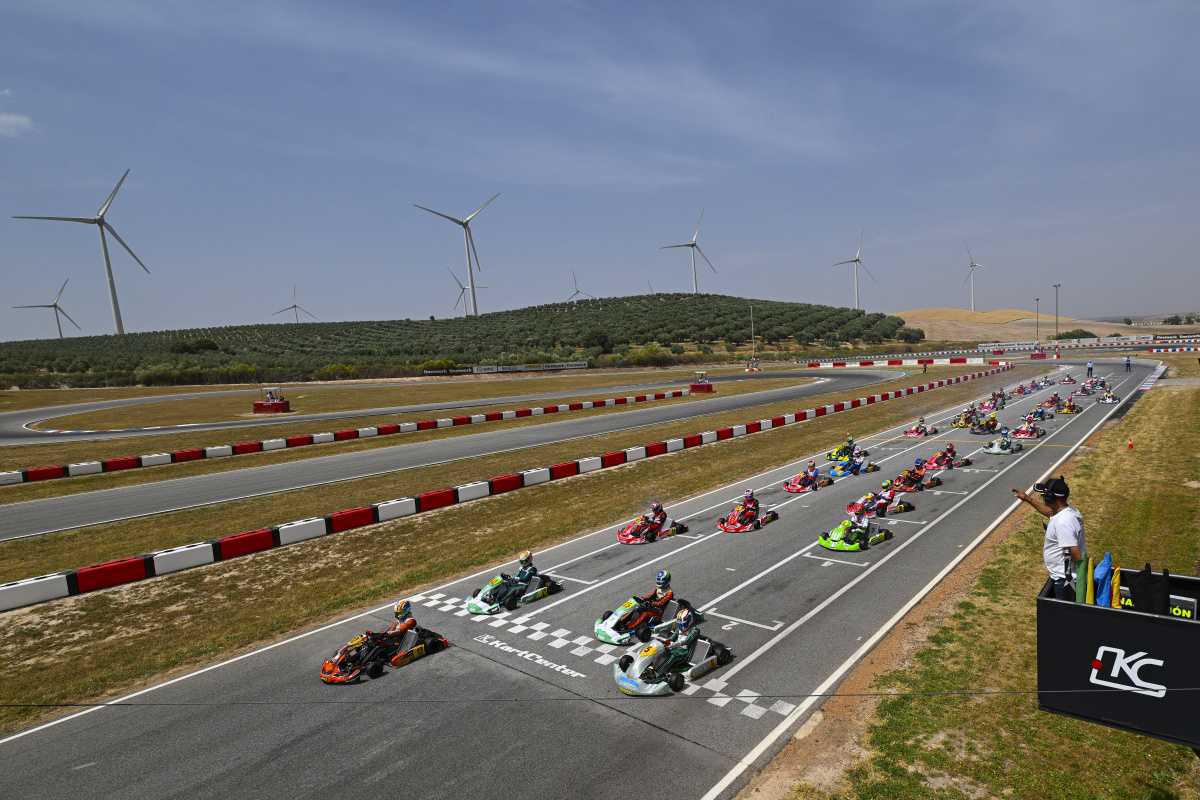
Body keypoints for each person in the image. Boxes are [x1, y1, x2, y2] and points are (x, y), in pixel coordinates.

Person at [1012, 477, 1085, 601]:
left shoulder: (1063, 522)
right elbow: (1050, 513)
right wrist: (1027, 499)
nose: (1043, 497)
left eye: (1044, 495)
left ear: (1052, 498)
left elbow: (1075, 553)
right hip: (1064, 578)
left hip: (1067, 581)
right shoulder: (1066, 512)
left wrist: (1082, 585)